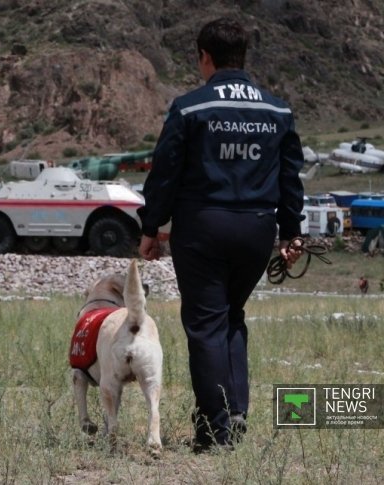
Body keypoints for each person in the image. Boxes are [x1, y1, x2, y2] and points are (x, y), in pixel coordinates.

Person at [137, 17, 305, 451]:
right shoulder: (277, 110)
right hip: (256, 228)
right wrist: (291, 233)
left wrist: (150, 228)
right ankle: (234, 413)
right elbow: (291, 178)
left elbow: (165, 173)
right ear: (243, 57)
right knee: (231, 317)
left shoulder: (190, 107)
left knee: (206, 323)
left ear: (204, 57)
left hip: (203, 227)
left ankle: (215, 430)